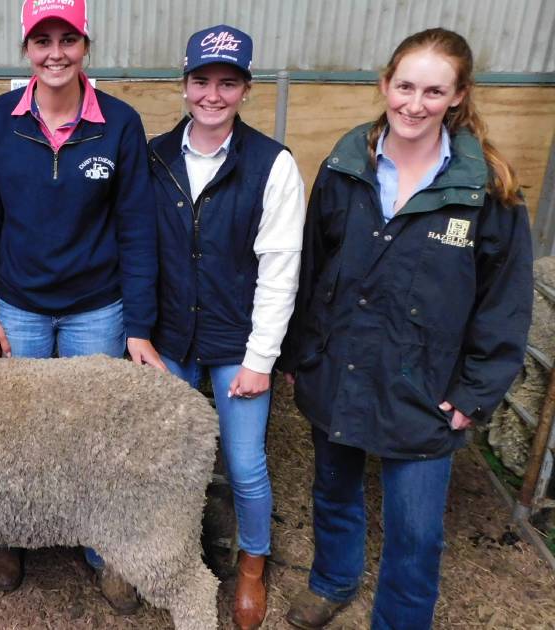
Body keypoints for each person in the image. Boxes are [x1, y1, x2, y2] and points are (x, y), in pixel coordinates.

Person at [280, 28, 532, 629]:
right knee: (333, 491)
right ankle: (333, 579)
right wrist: (300, 353)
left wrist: (474, 394)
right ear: (385, 85)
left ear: (459, 95)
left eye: (434, 90)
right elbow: (313, 266)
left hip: (425, 383)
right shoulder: (346, 166)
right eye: (405, 86)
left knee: (416, 529)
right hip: (339, 362)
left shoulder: (487, 190)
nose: (415, 103)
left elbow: (505, 303)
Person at [0, 0, 161, 612]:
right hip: (17, 305)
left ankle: (104, 546)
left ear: (85, 45)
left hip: (95, 308)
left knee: (93, 432)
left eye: (67, 39)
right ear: (26, 48)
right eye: (42, 39)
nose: (55, 53)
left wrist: (139, 325)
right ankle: (8, 537)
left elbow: (136, 229)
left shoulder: (120, 124)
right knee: (12, 429)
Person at [146, 25, 306, 629]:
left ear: (244, 88)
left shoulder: (272, 164)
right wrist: (143, 331)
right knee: (168, 458)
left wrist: (261, 357)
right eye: (202, 81)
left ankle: (251, 566)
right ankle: (172, 555)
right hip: (171, 338)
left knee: (244, 463)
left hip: (236, 343)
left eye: (228, 82)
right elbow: (141, 249)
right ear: (184, 84)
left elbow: (280, 268)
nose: (213, 94)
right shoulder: (156, 155)